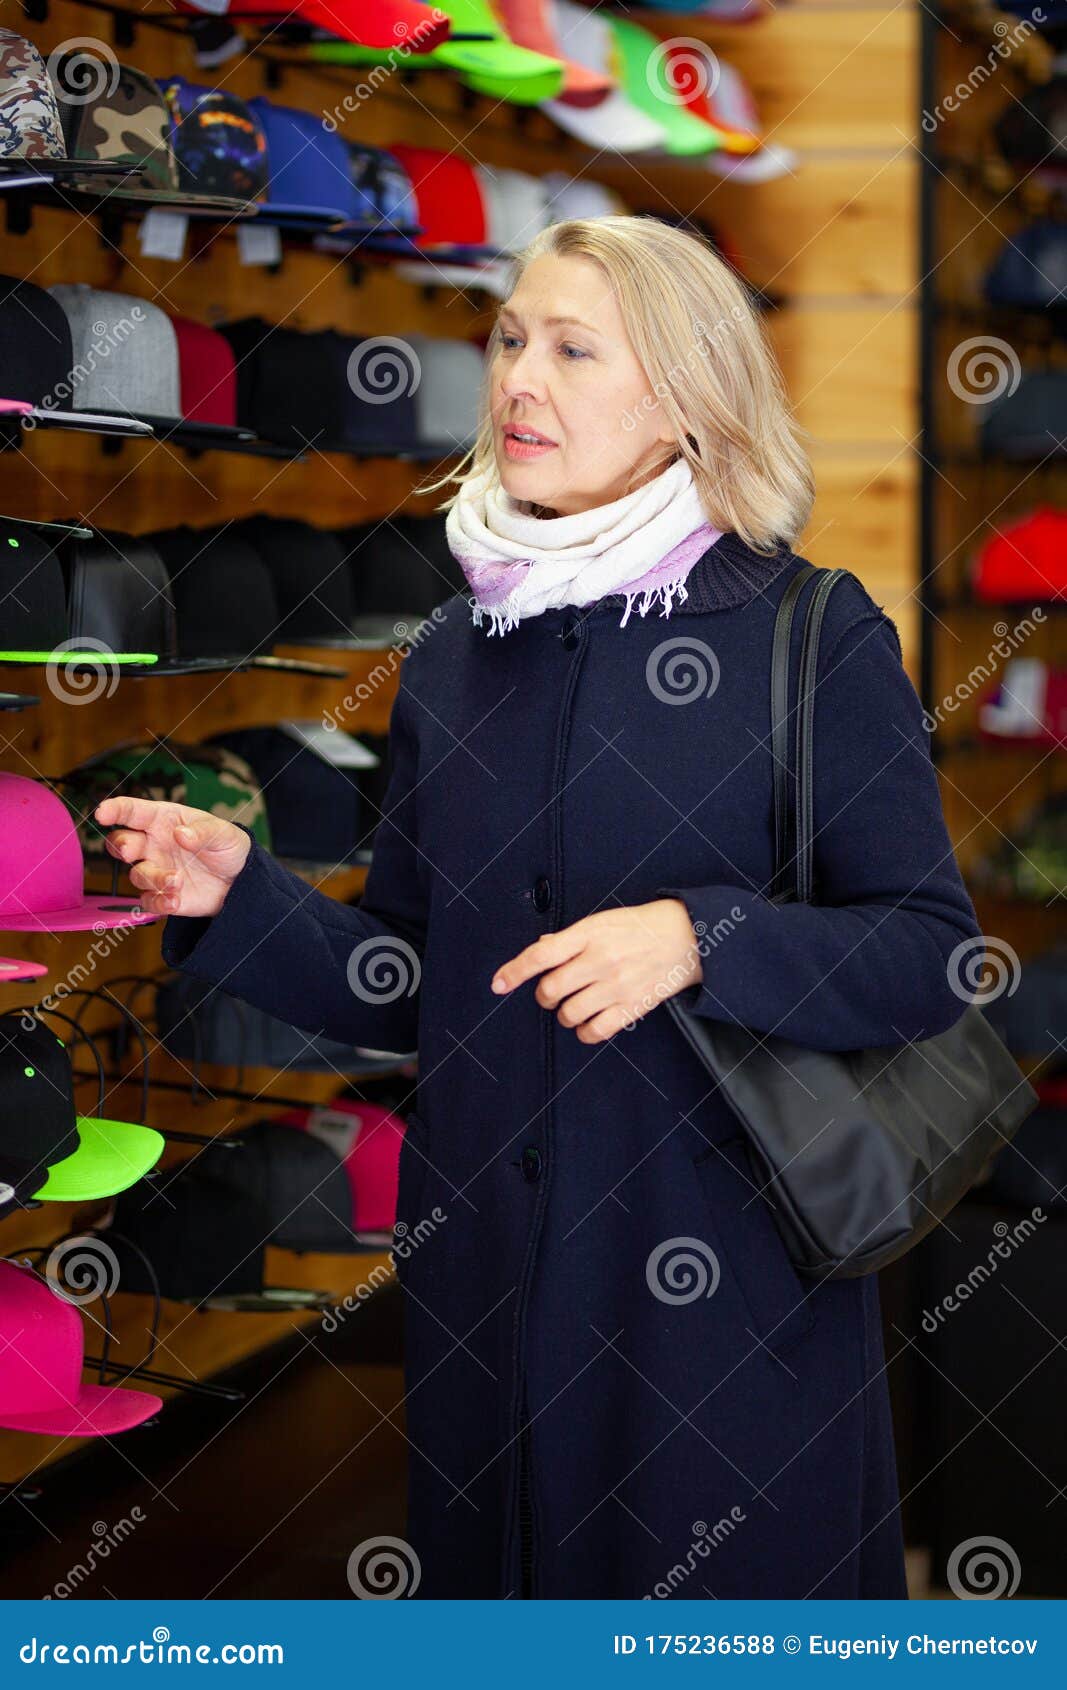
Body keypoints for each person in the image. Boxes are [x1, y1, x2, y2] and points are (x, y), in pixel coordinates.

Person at [95, 216, 983, 1600]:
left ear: (687, 396)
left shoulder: (809, 634)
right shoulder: (457, 651)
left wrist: (703, 937)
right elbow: (420, 979)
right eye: (512, 338)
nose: (519, 379)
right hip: (487, 1314)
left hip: (719, 1321)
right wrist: (243, 897)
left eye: (574, 349)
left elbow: (932, 959)